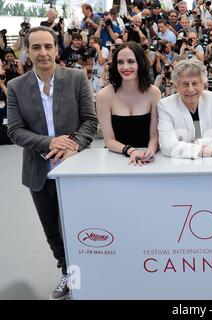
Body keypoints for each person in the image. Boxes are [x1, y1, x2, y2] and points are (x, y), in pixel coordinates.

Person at [7, 26, 98, 299]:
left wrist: (72, 145)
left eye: (48, 46)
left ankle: (92, 276)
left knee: (83, 230)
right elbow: (14, 130)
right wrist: (49, 142)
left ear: (57, 49)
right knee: (54, 233)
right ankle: (68, 276)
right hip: (39, 173)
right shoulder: (15, 86)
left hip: (76, 171)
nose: (43, 52)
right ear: (27, 51)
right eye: (36, 47)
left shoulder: (76, 78)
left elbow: (90, 121)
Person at [157, 59, 212, 159]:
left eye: (195, 83)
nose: (190, 89)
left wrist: (198, 142)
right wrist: (207, 151)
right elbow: (167, 145)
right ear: (176, 86)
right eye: (185, 84)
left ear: (203, 84)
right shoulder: (165, 105)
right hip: (180, 167)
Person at [96, 42, 161, 165]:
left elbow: (154, 136)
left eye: (131, 61)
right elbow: (109, 140)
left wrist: (150, 151)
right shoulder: (104, 96)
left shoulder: (154, 93)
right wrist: (131, 151)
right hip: (115, 158)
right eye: (120, 62)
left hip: (147, 160)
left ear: (140, 63)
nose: (125, 67)